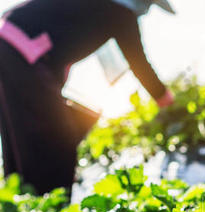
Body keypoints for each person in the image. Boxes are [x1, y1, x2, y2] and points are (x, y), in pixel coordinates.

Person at [0, 0, 175, 195]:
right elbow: (138, 62)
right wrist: (164, 98)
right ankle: (51, 204)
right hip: (23, 49)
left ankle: (17, 200)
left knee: (17, 128)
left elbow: (60, 46)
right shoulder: (120, 12)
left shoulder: (96, 8)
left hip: (9, 40)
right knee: (61, 137)